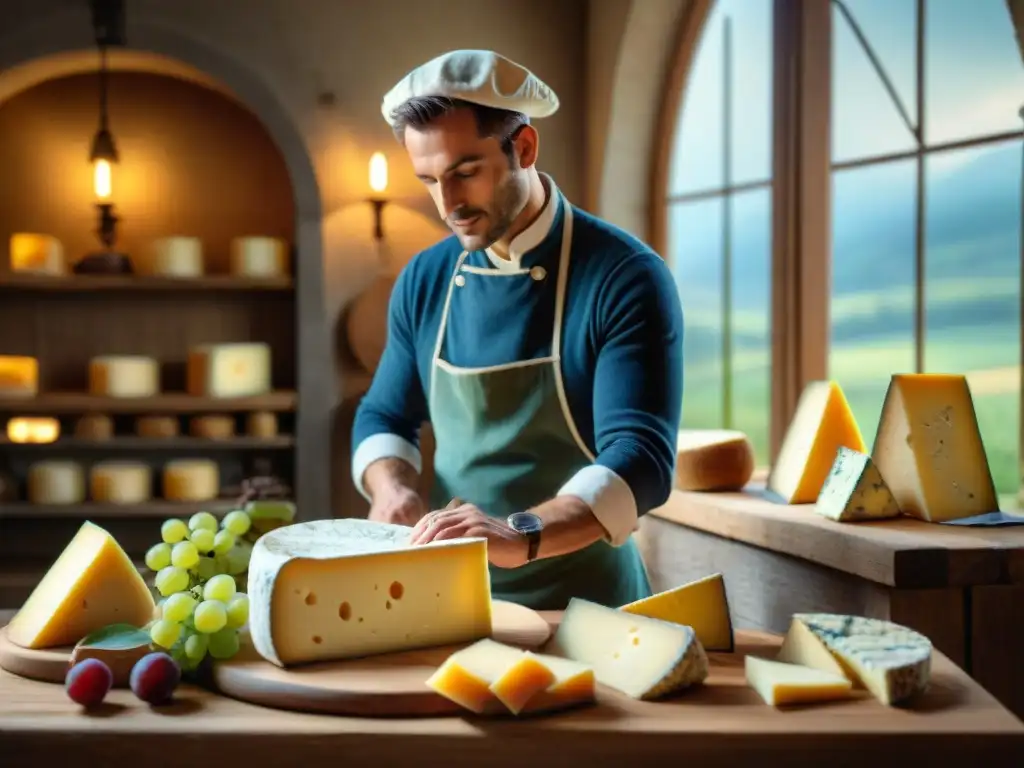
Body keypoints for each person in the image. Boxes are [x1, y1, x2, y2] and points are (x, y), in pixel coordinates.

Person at [350, 49, 684, 610]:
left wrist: (519, 532)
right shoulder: (425, 279)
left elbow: (641, 455)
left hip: (589, 607)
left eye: (465, 172)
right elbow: (384, 414)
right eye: (429, 180)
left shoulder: (624, 276)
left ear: (524, 148)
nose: (448, 204)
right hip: (451, 600)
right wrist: (392, 489)